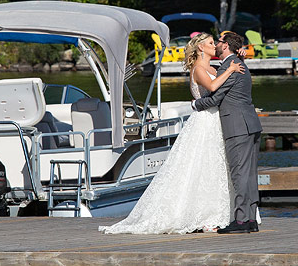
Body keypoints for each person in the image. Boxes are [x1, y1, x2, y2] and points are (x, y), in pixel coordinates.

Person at [100, 32, 247, 234]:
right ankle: (199, 215)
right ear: (201, 48)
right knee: (201, 166)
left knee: (217, 167)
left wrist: (237, 59)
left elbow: (225, 78)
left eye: (216, 43)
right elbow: (213, 86)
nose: (215, 46)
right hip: (204, 122)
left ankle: (218, 213)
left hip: (217, 121)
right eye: (211, 43)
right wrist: (230, 69)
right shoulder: (198, 69)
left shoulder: (215, 67)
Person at [191, 30, 262, 234]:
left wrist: (195, 104)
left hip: (238, 127)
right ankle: (250, 219)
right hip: (249, 125)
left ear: (225, 46)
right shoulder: (237, 64)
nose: (216, 44)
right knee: (249, 174)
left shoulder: (231, 68)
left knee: (239, 173)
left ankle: (241, 221)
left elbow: (214, 98)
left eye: (219, 41)